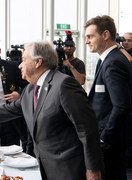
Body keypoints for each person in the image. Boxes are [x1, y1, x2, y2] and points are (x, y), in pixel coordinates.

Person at [0, 41, 102, 180]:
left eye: (24, 60)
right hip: (44, 167)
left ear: (38, 62)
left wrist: (93, 169)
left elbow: (87, 129)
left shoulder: (63, 84)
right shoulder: (31, 89)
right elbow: (6, 111)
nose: (19, 65)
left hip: (69, 168)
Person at [85, 15, 132, 180]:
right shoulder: (108, 60)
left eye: (90, 36)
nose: (86, 41)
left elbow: (121, 106)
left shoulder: (113, 62)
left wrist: (104, 139)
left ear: (105, 35)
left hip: (111, 143)